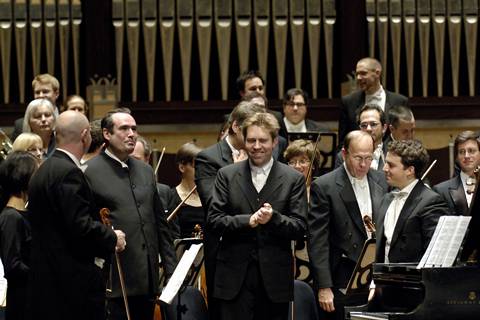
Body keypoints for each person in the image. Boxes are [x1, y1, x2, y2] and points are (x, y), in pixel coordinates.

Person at [207, 112, 308, 319]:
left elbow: (300, 227)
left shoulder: (293, 179)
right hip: (233, 279)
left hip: (275, 281)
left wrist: (274, 219)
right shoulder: (226, 175)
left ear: (274, 141)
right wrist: (248, 221)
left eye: (262, 140)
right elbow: (214, 219)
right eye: (251, 140)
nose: (256, 146)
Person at [27, 111, 125, 320]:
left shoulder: (43, 170)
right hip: (70, 286)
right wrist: (112, 237)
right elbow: (80, 226)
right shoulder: (68, 172)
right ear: (85, 135)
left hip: (47, 281)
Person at [84, 108, 177, 320]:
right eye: (124, 128)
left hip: (147, 278)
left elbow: (161, 225)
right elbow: (85, 224)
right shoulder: (89, 171)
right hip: (114, 278)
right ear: (107, 134)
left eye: (134, 128)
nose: (131, 133)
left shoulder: (145, 170)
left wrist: (170, 271)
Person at [308, 130, 388, 320]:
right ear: (344, 154)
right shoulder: (325, 186)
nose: (363, 164)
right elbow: (318, 240)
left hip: (375, 273)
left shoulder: (382, 180)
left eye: (368, 158)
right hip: (342, 274)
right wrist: (324, 286)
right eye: (358, 157)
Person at [195, 101, 265, 314]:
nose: (257, 138)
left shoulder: (261, 153)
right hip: (227, 254)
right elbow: (214, 204)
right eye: (251, 130)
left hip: (260, 253)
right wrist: (236, 171)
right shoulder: (208, 158)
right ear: (236, 126)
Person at [377, 140, 449, 264]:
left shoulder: (431, 201)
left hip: (412, 280)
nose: (384, 168)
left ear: (410, 170)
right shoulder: (387, 198)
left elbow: (434, 254)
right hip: (383, 279)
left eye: (391, 165)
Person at [0, 151, 38, 319]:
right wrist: (43, 273)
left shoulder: (28, 213)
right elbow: (13, 265)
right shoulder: (11, 217)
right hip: (22, 302)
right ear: (24, 176)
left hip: (32, 296)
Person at [338, 57, 408, 147]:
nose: (358, 78)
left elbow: (405, 137)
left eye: (363, 73)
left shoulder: (400, 101)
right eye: (357, 74)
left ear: (377, 73)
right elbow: (343, 141)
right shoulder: (348, 102)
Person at [433, 131, 480, 216]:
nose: (466, 156)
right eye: (461, 152)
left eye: (471, 151)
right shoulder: (441, 191)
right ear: (457, 157)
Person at [167, 142, 203, 238]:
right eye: (196, 166)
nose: (201, 170)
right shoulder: (171, 197)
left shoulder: (209, 196)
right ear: (182, 167)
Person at [335, 104, 387, 171]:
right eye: (364, 125)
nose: (368, 129)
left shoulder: (394, 155)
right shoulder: (344, 156)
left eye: (373, 124)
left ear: (384, 128)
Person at [12, 74, 61, 141]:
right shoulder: (20, 124)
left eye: (45, 91)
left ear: (56, 94)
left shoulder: (66, 120)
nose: (41, 95)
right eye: (37, 92)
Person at [131, 135, 172, 215]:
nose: (130, 164)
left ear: (147, 160)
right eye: (127, 159)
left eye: (135, 159)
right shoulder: (116, 190)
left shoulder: (164, 192)